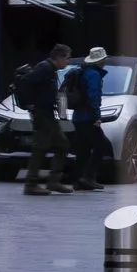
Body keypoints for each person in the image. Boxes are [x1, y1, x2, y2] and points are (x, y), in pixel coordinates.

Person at [14, 43, 72, 195]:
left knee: (62, 145)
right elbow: (26, 81)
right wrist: (32, 103)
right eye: (67, 58)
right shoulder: (44, 68)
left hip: (47, 114)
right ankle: (31, 183)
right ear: (59, 57)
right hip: (42, 114)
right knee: (40, 147)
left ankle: (53, 181)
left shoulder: (50, 69)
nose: (67, 62)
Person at [64, 46, 110, 191]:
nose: (105, 61)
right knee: (101, 145)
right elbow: (93, 96)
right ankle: (89, 178)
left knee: (83, 149)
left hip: (78, 117)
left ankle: (78, 180)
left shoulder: (82, 72)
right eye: (104, 59)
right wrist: (97, 116)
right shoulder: (94, 75)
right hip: (88, 117)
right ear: (100, 61)